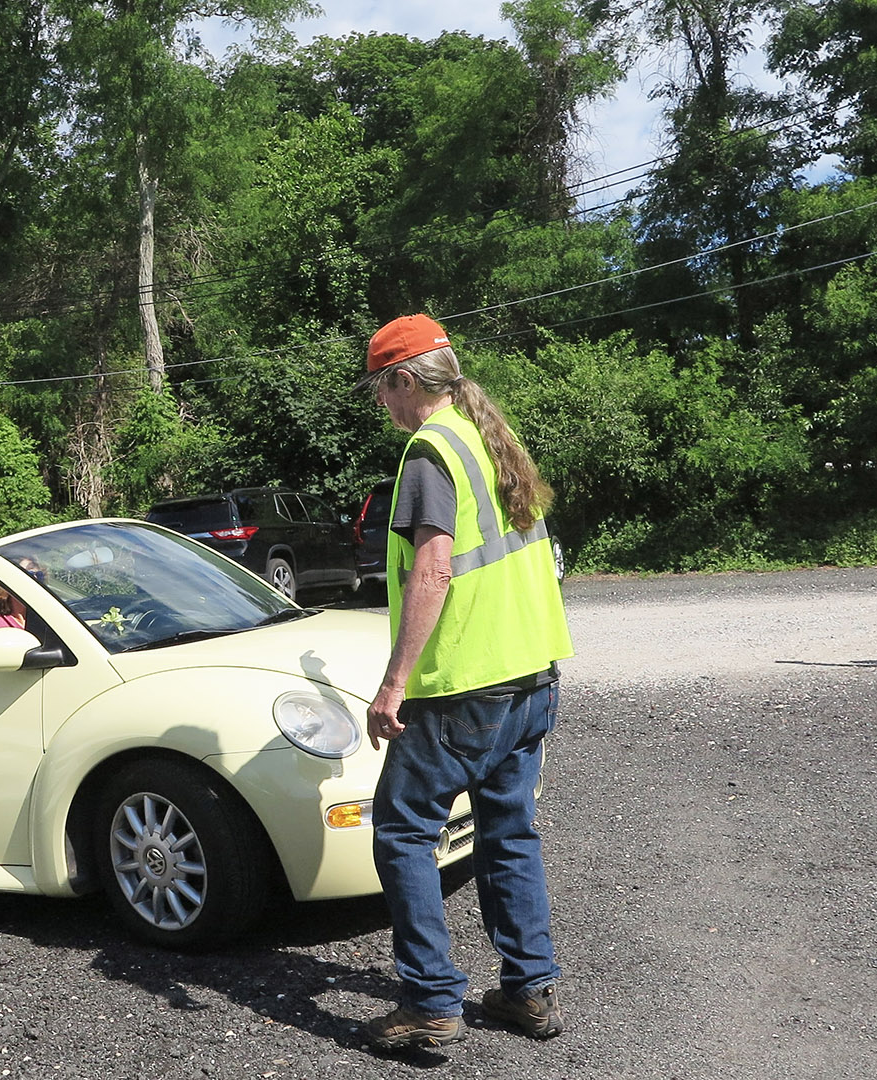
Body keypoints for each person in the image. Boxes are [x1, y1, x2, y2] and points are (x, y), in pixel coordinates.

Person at [357, 314, 574, 1051]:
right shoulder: (488, 437)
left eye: (380, 390)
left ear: (403, 380)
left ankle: (430, 1002)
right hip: (530, 675)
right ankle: (528, 991)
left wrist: (393, 684)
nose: (381, 407)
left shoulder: (428, 451)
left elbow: (435, 568)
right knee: (508, 832)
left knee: (401, 830)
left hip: (464, 686)